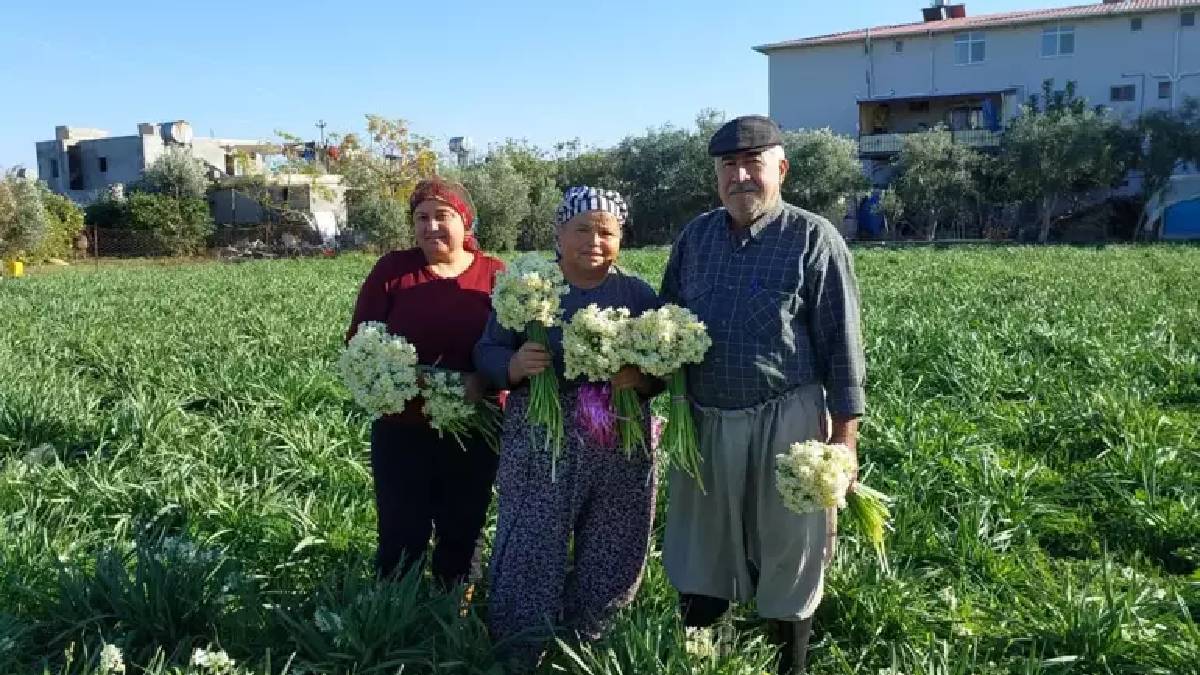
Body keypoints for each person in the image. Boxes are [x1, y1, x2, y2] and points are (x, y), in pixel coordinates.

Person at [659, 115, 867, 674]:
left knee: (791, 546)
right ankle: (702, 656)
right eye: (729, 164)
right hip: (705, 417)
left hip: (789, 418)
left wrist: (844, 438)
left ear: (781, 168)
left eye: (754, 162)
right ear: (717, 175)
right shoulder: (695, 238)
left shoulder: (812, 238)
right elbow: (666, 326)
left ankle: (789, 664)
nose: (741, 175)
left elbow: (841, 343)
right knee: (703, 541)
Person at [475, 186, 662, 671]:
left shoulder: (637, 294)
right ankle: (520, 642)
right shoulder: (527, 288)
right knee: (533, 532)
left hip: (620, 433)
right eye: (582, 229)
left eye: (607, 231)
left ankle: (592, 635)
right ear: (559, 234)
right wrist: (514, 365)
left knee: (616, 533)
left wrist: (640, 377)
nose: (594, 241)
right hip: (543, 430)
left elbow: (666, 364)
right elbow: (487, 350)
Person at [345, 177, 505, 592]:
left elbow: (512, 345)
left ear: (465, 221)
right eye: (421, 218)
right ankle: (397, 613)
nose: (431, 227)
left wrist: (483, 380)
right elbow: (361, 338)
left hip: (475, 426)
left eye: (443, 216)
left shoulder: (496, 274)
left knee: (463, 527)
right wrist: (404, 374)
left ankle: (456, 610)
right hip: (402, 425)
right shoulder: (393, 270)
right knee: (401, 529)